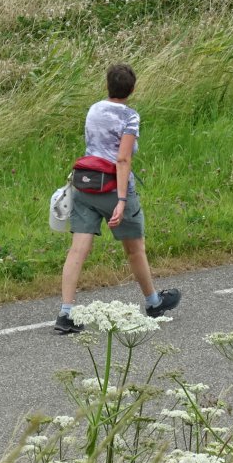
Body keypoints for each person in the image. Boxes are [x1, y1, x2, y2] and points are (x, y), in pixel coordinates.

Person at [54, 63, 181, 334]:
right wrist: (121, 201)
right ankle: (153, 303)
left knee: (77, 250)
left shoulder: (93, 109)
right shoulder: (130, 117)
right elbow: (122, 159)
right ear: (132, 89)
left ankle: (66, 313)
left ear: (107, 85)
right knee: (135, 249)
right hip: (113, 187)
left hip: (85, 185)